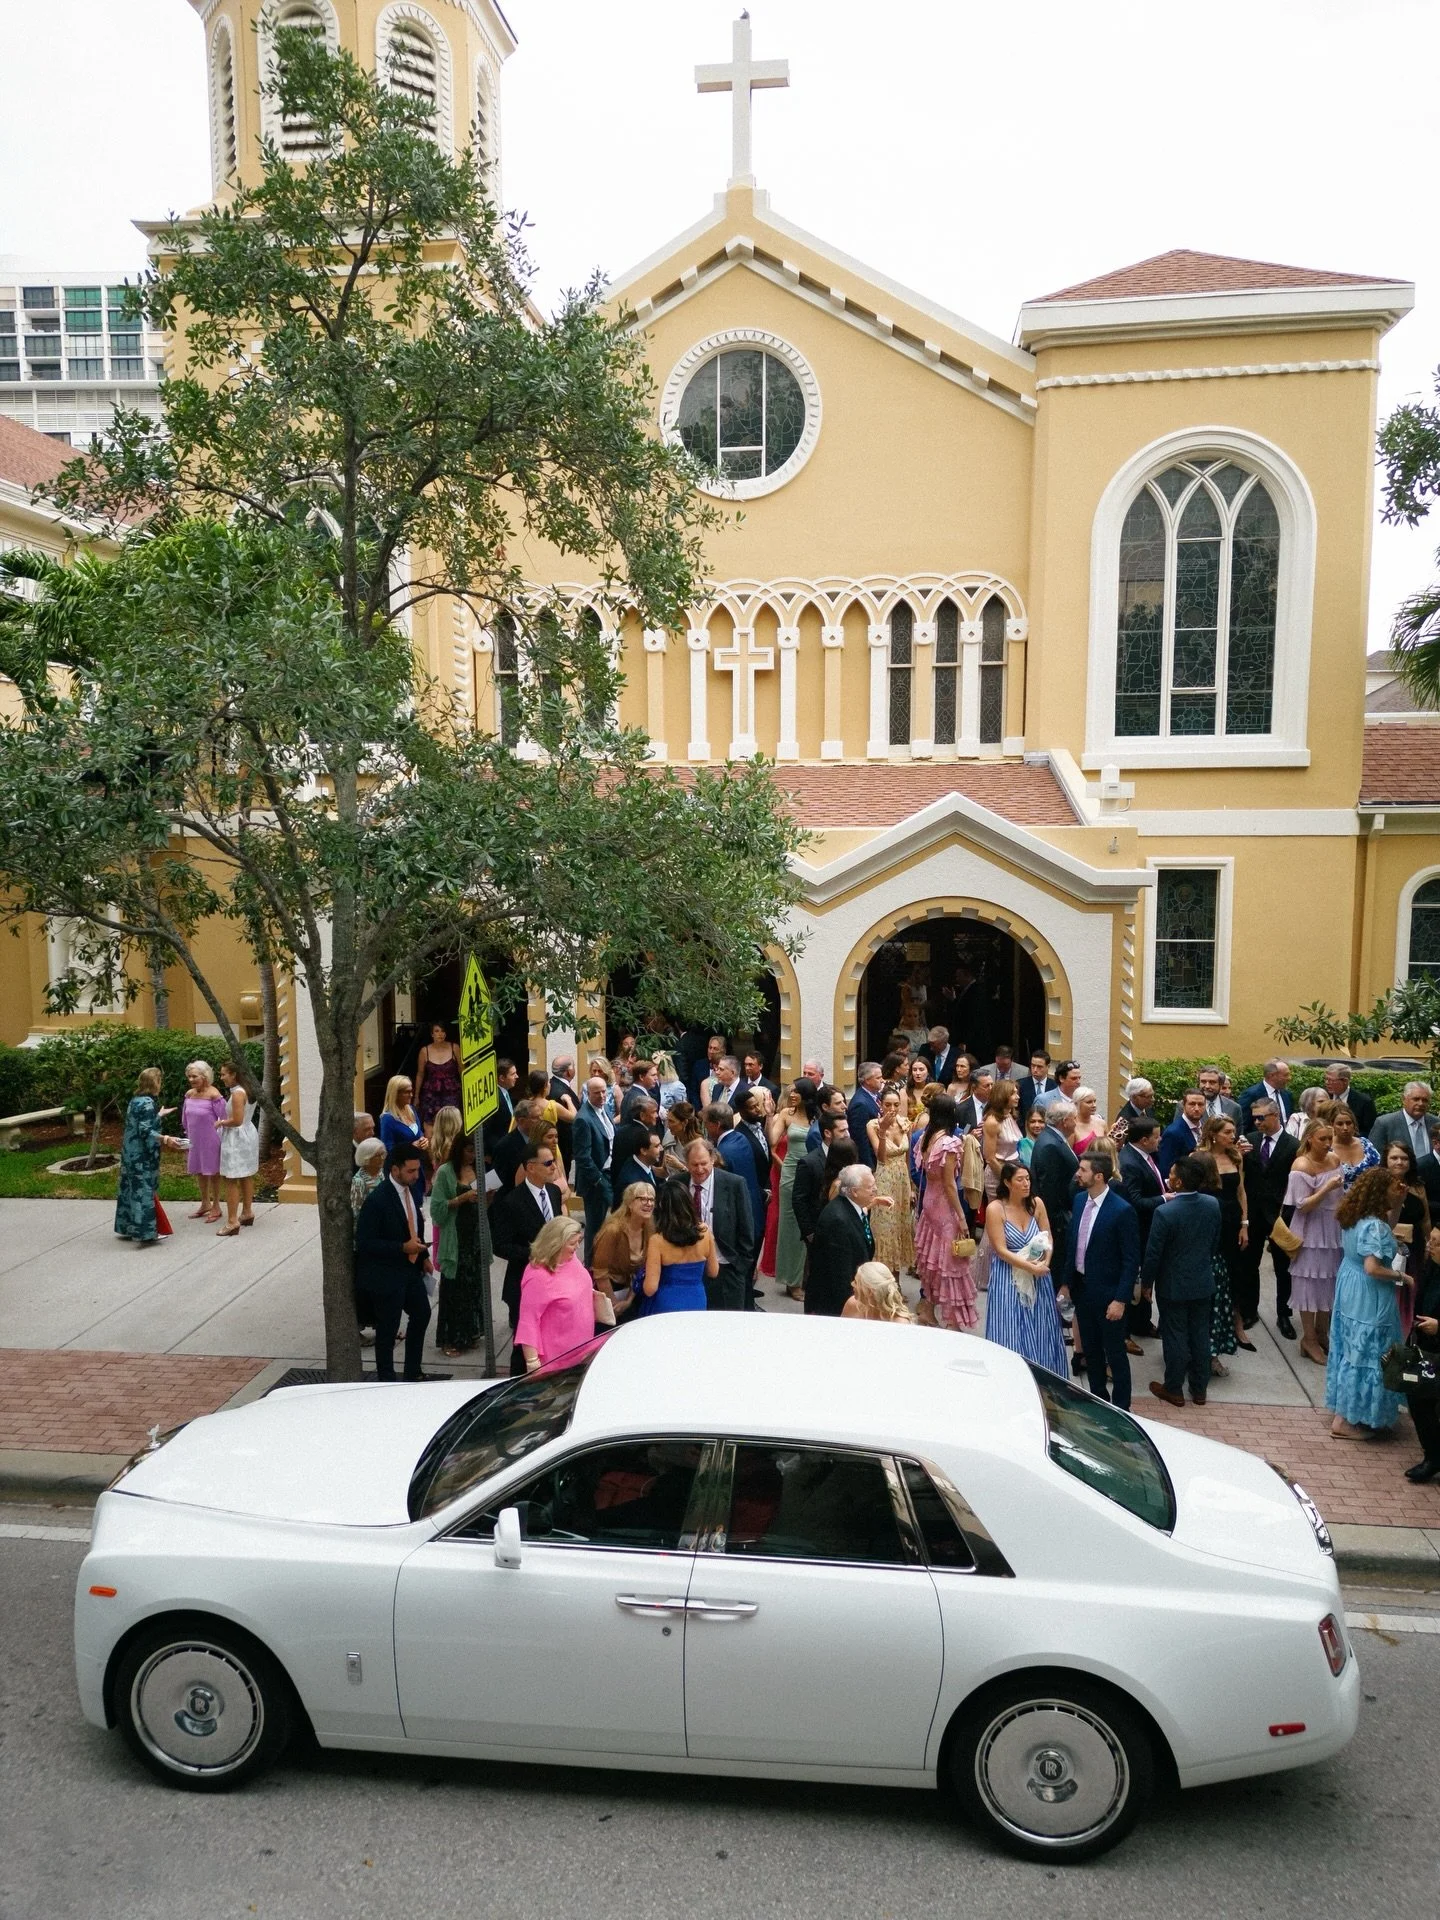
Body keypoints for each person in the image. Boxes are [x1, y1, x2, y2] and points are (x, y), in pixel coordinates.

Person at [1327, 1166, 1408, 1439]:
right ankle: (1347, 1421)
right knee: (1370, 1350)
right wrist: (1400, 1276)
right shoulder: (1374, 1226)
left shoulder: (1355, 1215)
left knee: (1350, 1346)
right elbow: (1373, 1267)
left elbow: (1388, 1225)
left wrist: (1397, 1204)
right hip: (1370, 1293)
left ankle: (1345, 1409)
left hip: (1349, 1284)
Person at [1146, 1154, 1221, 1408]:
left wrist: (1147, 1283)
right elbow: (1213, 1241)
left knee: (1176, 1336)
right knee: (1200, 1334)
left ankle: (1174, 1388)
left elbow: (1154, 1253)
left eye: (1172, 1175)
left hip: (1173, 1285)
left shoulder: (1165, 1212)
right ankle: (1200, 1390)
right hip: (1202, 1280)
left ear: (1177, 1183)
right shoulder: (1212, 1204)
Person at [354, 1140, 433, 1382]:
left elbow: (414, 1225)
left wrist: (424, 1256)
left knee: (422, 1314)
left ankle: (412, 1371)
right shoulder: (378, 1200)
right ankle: (386, 1379)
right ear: (395, 1169)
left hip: (410, 1269)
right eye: (410, 1171)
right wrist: (401, 1247)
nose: (415, 1175)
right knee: (387, 1330)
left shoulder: (410, 1192)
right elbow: (365, 1242)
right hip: (385, 1275)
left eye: (417, 1170)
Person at [1068, 1150, 1140, 1408]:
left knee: (1116, 1355)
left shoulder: (1122, 1211)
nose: (1078, 1173)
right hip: (1083, 1291)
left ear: (1099, 1176)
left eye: (1083, 1170)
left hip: (1109, 1295)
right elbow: (1073, 1244)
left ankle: (1122, 1407)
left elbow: (1131, 1260)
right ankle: (1099, 1400)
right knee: (1091, 1351)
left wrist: (1121, 1299)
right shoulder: (1078, 1201)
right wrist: (1067, 1283)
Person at [983, 1160, 1067, 1372]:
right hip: (1008, 1276)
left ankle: (1043, 1372)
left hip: (1039, 1276)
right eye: (1020, 1179)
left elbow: (1047, 1237)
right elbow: (1000, 1250)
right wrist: (1030, 1267)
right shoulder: (995, 1208)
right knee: (1010, 1325)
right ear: (1007, 1182)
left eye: (1028, 1179)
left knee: (1041, 1326)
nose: (1026, 1183)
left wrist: (1045, 1263)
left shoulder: (1036, 1204)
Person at [489, 1140, 565, 1364]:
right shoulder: (512, 1202)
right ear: (531, 1167)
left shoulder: (553, 1192)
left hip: (555, 1279)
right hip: (525, 1281)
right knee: (524, 1344)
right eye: (548, 1163)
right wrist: (534, 1255)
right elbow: (501, 1246)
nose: (554, 1167)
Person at [913, 1094, 977, 1331]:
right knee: (952, 1263)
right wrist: (961, 1217)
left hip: (928, 1203)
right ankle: (953, 1321)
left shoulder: (926, 1138)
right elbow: (950, 1184)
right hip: (943, 1206)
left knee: (933, 1259)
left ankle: (928, 1310)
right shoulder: (949, 1142)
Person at [1284, 1116, 1343, 1364]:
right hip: (1310, 1232)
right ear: (1309, 1139)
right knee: (1309, 1284)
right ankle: (1308, 1337)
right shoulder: (1301, 1166)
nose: (1328, 1143)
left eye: (1330, 1138)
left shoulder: (1334, 1159)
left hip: (1333, 1229)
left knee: (1330, 1281)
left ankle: (1323, 1331)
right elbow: (1302, 1206)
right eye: (1323, 1139)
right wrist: (1326, 1187)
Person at [1240, 1099, 1298, 1339]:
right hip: (1253, 1215)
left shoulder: (1293, 1145)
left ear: (1275, 1116)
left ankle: (1284, 1314)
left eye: (1261, 1117)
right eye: (1254, 1118)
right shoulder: (1249, 1142)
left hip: (1279, 1216)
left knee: (1283, 1269)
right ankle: (1249, 1311)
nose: (1257, 1122)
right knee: (1249, 1265)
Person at [428, 1130, 485, 1355]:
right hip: (455, 1239)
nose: (472, 1156)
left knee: (473, 1288)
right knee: (454, 1291)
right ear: (460, 1150)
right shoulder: (445, 1173)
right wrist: (460, 1199)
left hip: (474, 1238)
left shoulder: (478, 1170)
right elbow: (437, 1209)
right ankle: (449, 1339)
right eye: (469, 1151)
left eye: (475, 1152)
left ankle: (470, 1333)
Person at [683, 1136, 754, 1312]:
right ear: (686, 1163)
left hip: (727, 1268)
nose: (700, 1169)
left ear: (713, 1159)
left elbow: (746, 1227)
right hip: (689, 1269)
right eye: (694, 1165)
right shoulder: (678, 1184)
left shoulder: (734, 1184)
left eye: (704, 1163)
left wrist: (740, 1266)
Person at [114, 1067, 183, 1246]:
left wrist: (158, 1115)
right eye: (159, 1082)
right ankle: (145, 1232)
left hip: (129, 1152)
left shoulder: (135, 1100)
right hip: (142, 1155)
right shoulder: (148, 1103)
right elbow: (145, 1131)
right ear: (155, 1083)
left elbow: (139, 1124)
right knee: (143, 1191)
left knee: (129, 1189)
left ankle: (128, 1226)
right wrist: (166, 1139)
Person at [1199, 1114, 1251, 1349]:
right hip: (1209, 1222)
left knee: (1236, 1271)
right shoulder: (1199, 1157)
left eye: (1233, 1131)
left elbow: (1241, 1192)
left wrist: (1244, 1224)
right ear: (1213, 1135)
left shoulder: (1236, 1156)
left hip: (1232, 1220)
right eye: (1227, 1132)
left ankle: (1237, 1322)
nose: (1233, 1136)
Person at [515, 1215, 594, 1367]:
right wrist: (532, 1363)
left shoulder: (570, 1259)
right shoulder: (537, 1276)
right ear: (556, 1244)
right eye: (572, 1243)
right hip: (557, 1361)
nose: (577, 1247)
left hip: (583, 1351)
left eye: (579, 1241)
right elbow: (528, 1321)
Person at [808, 1163, 880, 1317]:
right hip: (834, 1308)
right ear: (854, 1191)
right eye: (870, 1187)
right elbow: (840, 1276)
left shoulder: (853, 1208)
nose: (875, 1190)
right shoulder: (838, 1221)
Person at [1117, 1114, 1166, 1335]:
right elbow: (1134, 1201)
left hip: (1148, 1228)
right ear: (1144, 1140)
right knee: (1138, 1279)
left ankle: (1142, 1322)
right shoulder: (1129, 1163)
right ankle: (1134, 1325)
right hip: (1140, 1230)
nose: (1160, 1140)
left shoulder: (1144, 1155)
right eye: (1156, 1137)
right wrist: (1166, 1198)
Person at [639, 1177, 717, 1315]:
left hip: (667, 1302)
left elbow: (650, 1288)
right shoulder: (705, 1232)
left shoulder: (657, 1241)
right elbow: (713, 1271)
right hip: (697, 1299)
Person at [1030, 1097, 1080, 1306]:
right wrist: (1058, 1219)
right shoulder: (1051, 1144)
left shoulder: (1053, 1139)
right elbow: (1050, 1187)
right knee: (1057, 1266)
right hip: (1057, 1218)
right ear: (1065, 1121)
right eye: (1074, 1119)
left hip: (1060, 1214)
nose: (1076, 1123)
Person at [769, 1082, 814, 1301]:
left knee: (810, 1226)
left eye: (797, 1091)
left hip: (812, 1173)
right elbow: (773, 1141)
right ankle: (791, 1281)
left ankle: (807, 1277)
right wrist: (771, 1117)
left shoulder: (817, 1115)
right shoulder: (787, 1114)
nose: (793, 1094)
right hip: (790, 1173)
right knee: (790, 1227)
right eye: (792, 1091)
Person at [1403, 1227, 1440, 1482]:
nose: (1429, 1245)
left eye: (1436, 1242)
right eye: (1431, 1239)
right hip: (1425, 1346)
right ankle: (1433, 1455)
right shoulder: (1430, 1269)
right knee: (1417, 1397)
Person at [868, 1087, 915, 1278]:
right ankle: (885, 1280)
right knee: (886, 1227)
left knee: (901, 1225)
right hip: (885, 1177)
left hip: (902, 1179)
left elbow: (908, 1156)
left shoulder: (905, 1123)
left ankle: (897, 1280)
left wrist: (911, 1186)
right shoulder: (873, 1125)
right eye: (888, 1104)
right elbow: (880, 1158)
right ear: (880, 1105)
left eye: (896, 1104)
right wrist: (883, 1132)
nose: (892, 1109)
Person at [1382, 1139, 1430, 1326]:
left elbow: (1425, 1218)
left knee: (1410, 1292)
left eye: (1404, 1158)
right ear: (1385, 1160)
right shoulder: (1379, 1184)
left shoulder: (1417, 1186)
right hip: (1386, 1247)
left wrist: (1428, 1243)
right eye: (1394, 1158)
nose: (1399, 1162)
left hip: (1414, 1248)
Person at [589, 1183, 654, 1321]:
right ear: (630, 1203)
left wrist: (629, 1300)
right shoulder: (613, 1231)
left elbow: (643, 1270)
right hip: (610, 1294)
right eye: (642, 1199)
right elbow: (600, 1272)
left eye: (651, 1199)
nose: (648, 1203)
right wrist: (614, 1305)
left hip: (633, 1294)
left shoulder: (649, 1228)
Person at [792, 1109, 848, 1254]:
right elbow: (799, 1200)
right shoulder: (809, 1162)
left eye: (847, 1129)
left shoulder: (849, 1155)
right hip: (819, 1232)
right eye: (842, 1131)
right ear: (828, 1133)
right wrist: (809, 1234)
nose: (847, 1134)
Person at [573, 1074, 616, 1259]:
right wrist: (598, 1180)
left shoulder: (604, 1109)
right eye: (597, 1093)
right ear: (588, 1094)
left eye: (604, 1091)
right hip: (597, 1179)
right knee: (595, 1225)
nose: (602, 1096)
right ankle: (589, 1264)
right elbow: (583, 1156)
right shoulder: (583, 1119)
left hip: (610, 1172)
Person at [215, 1060, 260, 1236]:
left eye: (224, 1073)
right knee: (246, 1174)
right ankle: (247, 1212)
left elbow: (237, 1120)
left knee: (231, 1178)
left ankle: (232, 1221)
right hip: (248, 1134)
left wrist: (221, 1122)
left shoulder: (237, 1094)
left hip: (237, 1138)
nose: (222, 1077)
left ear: (233, 1074)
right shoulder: (247, 1090)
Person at [180, 1060, 227, 1223]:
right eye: (189, 1077)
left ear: (205, 1076)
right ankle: (205, 1203)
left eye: (194, 1076)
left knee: (213, 1171)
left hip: (211, 1139)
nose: (191, 1080)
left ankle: (216, 1206)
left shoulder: (214, 1095)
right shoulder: (189, 1094)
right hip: (194, 1138)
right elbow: (185, 1117)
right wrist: (186, 1133)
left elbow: (225, 1117)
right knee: (199, 1170)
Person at [379, 1073, 427, 1201]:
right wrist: (409, 1147)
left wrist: (423, 1140)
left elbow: (419, 1133)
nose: (411, 1095)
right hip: (401, 1171)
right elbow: (387, 1147)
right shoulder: (387, 1119)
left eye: (411, 1091)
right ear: (396, 1094)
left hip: (416, 1166)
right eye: (407, 1092)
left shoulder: (411, 1109)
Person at [413, 1020, 461, 1134]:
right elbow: (420, 1074)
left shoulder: (454, 1048)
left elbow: (461, 1069)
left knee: (451, 1124)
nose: (440, 1034)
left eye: (443, 1031)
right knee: (430, 1125)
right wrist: (416, 1096)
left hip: (451, 1092)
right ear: (432, 1034)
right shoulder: (424, 1051)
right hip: (431, 1094)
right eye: (437, 1031)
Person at [1371, 1081, 1435, 1161]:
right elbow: (1375, 1157)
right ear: (1404, 1099)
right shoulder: (1385, 1123)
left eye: (1425, 1100)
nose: (1421, 1103)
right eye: (1416, 1099)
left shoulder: (1436, 1123)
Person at [843, 1259, 916, 1322]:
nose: (852, 1284)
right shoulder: (852, 1304)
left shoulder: (899, 1322)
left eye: (856, 1282)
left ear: (869, 1291)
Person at [1330, 1101, 1380, 1189]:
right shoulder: (1327, 1148)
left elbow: (1380, 1169)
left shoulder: (1365, 1144)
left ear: (1354, 1124)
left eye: (1348, 1123)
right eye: (1340, 1124)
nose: (1345, 1128)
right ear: (1332, 1125)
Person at [1157, 1088, 1205, 1177]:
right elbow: (1166, 1168)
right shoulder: (1173, 1133)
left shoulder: (1204, 1128)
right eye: (1192, 1104)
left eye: (1201, 1104)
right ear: (1183, 1105)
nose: (1197, 1108)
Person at [1238, 1059, 1294, 1133]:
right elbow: (1242, 1125)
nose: (1289, 1078)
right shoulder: (1251, 1094)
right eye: (1286, 1075)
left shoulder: (1287, 1095)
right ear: (1272, 1075)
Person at [847, 1063, 885, 1169]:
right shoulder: (860, 1104)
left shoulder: (877, 1095)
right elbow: (860, 1140)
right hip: (870, 1161)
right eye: (878, 1078)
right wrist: (869, 1167)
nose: (882, 1080)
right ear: (867, 1080)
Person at [1323, 1062, 1377, 1137]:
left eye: (1331, 1080)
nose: (1327, 1083)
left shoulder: (1364, 1102)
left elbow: (1369, 1131)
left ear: (1345, 1081)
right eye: (1326, 1079)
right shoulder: (1323, 1097)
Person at [351, 1134, 387, 1216]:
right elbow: (357, 1212)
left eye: (383, 1154)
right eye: (378, 1156)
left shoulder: (381, 1172)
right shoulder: (358, 1181)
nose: (382, 1158)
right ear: (366, 1158)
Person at [1016, 1050, 1055, 1122]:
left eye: (1039, 1067)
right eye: (1033, 1065)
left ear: (1048, 1067)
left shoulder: (1055, 1086)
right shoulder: (1020, 1085)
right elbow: (1017, 1111)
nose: (1035, 1070)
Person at [1071, 1087, 1108, 1157]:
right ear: (1077, 1104)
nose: (1094, 1105)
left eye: (1095, 1101)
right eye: (1089, 1102)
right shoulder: (1072, 1126)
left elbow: (1108, 1150)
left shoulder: (1102, 1123)